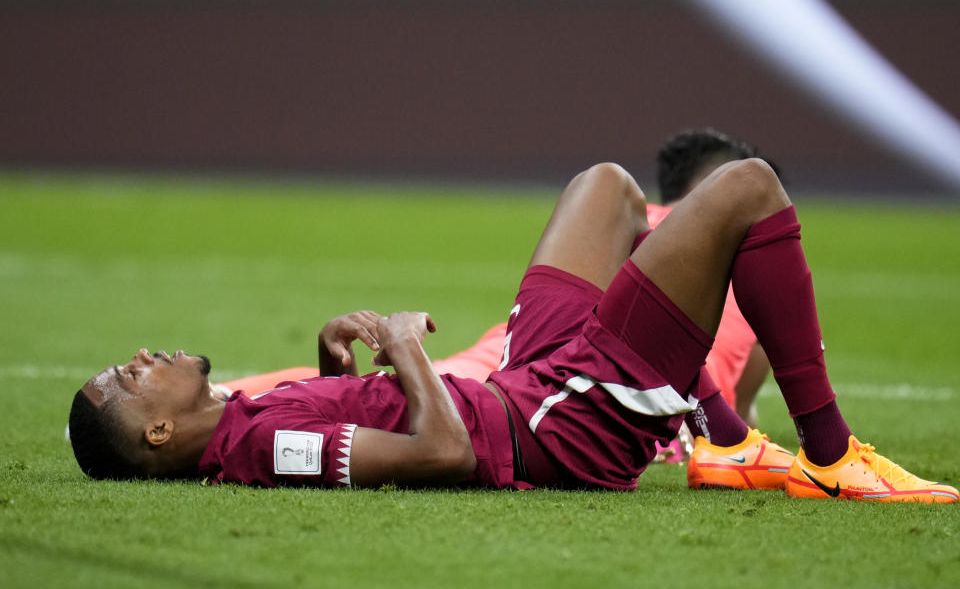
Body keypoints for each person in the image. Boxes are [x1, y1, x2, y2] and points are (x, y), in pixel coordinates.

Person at [68, 160, 958, 502]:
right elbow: (441, 457)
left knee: (606, 188)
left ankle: (714, 433)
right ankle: (831, 456)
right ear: (154, 431)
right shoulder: (258, 444)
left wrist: (333, 354)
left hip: (522, 388)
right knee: (747, 188)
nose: (140, 359)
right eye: (126, 377)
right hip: (558, 426)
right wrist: (404, 339)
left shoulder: (245, 428)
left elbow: (352, 429)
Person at [213, 128, 775, 432]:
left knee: (430, 381)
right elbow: (736, 411)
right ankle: (199, 412)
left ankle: (211, 401)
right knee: (422, 396)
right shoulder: (752, 271)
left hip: (513, 364)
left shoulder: (613, 222)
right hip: (611, 405)